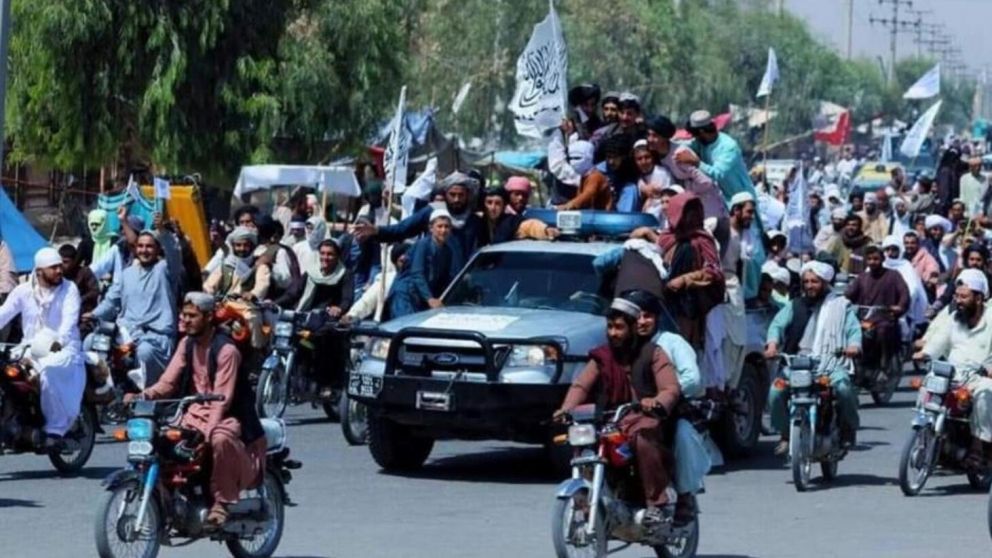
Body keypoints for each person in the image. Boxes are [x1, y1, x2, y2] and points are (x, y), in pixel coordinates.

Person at [126, 292, 266, 528]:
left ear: (209, 317)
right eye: (184, 315)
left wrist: (207, 432)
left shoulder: (227, 351)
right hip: (192, 415)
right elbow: (167, 383)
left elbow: (223, 399)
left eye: (192, 316)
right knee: (157, 439)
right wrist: (142, 395)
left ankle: (222, 502)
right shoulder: (186, 344)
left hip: (230, 418)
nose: (185, 320)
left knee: (219, 439)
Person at [553, 297, 681, 525]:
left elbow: (670, 387)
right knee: (583, 444)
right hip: (611, 420)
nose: (613, 333)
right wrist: (566, 408)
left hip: (646, 419)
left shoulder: (653, 353)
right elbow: (582, 385)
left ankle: (657, 504)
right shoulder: (602, 357)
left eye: (620, 327)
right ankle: (588, 501)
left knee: (642, 439)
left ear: (633, 327)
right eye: (610, 327)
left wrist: (657, 401)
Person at [620, 289, 708, 525]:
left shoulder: (672, 343)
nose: (641, 322)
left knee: (682, 436)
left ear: (657, 317)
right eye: (636, 316)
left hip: (670, 413)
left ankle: (685, 497)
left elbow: (693, 379)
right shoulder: (620, 344)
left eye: (647, 315)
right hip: (628, 413)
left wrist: (664, 396)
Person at [765, 261, 861, 453]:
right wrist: (773, 344)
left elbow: (853, 330)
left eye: (814, 281)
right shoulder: (795, 305)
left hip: (830, 361)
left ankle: (848, 429)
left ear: (825, 282)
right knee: (776, 393)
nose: (809, 285)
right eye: (806, 281)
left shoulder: (841, 306)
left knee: (843, 389)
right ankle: (786, 433)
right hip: (798, 362)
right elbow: (777, 325)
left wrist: (853, 346)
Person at [0, 247, 85, 448]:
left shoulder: (69, 289)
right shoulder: (23, 291)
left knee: (45, 370)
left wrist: (60, 341)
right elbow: (4, 313)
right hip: (30, 347)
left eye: (59, 266)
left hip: (64, 348)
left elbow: (69, 321)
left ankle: (55, 428)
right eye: (53, 267)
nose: (59, 271)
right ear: (39, 271)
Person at [915, 269, 992, 468]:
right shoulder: (955, 317)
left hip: (981, 377)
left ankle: (979, 447)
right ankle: (927, 435)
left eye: (964, 296)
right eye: (957, 296)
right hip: (953, 374)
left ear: (979, 298)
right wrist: (925, 353)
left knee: (985, 393)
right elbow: (940, 340)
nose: (958, 300)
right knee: (927, 385)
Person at [87, 230, 177, 387]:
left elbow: (174, 253)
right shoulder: (126, 274)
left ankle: (148, 397)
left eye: (149, 246)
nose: (144, 250)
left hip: (155, 336)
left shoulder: (164, 270)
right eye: (140, 246)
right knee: (90, 342)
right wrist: (93, 315)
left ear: (157, 249)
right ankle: (103, 393)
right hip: (126, 333)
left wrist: (164, 231)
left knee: (145, 352)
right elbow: (111, 301)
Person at [355, 171, 482, 274]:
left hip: (462, 281)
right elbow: (402, 229)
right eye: (452, 194)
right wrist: (377, 230)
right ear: (445, 194)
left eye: (461, 195)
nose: (456, 199)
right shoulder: (433, 211)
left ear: (468, 195)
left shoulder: (474, 221)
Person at [657, 192, 725, 347]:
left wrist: (685, 280)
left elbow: (713, 271)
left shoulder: (703, 239)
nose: (691, 216)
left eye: (695, 210)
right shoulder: (665, 237)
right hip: (662, 304)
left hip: (689, 307)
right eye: (687, 211)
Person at [645, 116, 724, 220]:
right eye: (648, 135)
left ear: (665, 137)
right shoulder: (656, 155)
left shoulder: (680, 155)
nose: (650, 139)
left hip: (707, 206)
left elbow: (706, 182)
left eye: (655, 136)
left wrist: (685, 188)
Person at [845, 245, 910, 371]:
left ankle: (884, 362)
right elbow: (850, 294)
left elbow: (904, 294)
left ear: (882, 259)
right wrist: (841, 300)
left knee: (882, 331)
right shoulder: (862, 277)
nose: (872, 262)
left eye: (875, 259)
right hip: (865, 318)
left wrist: (899, 307)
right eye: (869, 259)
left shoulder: (893, 275)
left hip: (885, 318)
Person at [388, 209, 456, 317]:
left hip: (422, 299)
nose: (443, 230)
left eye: (446, 227)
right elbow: (417, 274)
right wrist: (430, 299)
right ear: (431, 228)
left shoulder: (447, 251)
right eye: (439, 226)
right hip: (406, 296)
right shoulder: (423, 245)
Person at [203, 226, 272, 301]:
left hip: (249, 307)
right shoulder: (226, 265)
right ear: (233, 247)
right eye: (238, 245)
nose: (242, 249)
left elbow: (262, 285)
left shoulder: (259, 265)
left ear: (251, 246)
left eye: (246, 245)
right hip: (225, 306)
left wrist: (253, 294)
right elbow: (209, 285)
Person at [555, 140, 612, 211]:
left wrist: (569, 205)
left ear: (589, 157)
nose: (573, 162)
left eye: (577, 158)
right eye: (570, 158)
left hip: (602, 218)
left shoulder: (595, 176)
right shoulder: (584, 176)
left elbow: (588, 194)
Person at [59, 244, 100, 315]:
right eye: (60, 261)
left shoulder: (84, 272)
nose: (62, 265)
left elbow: (95, 291)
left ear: (74, 261)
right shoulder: (57, 274)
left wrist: (79, 299)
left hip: (83, 312)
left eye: (66, 262)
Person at [903, 230, 940, 296]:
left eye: (912, 243)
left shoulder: (927, 258)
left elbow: (932, 271)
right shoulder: (902, 258)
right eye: (907, 243)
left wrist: (928, 278)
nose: (909, 245)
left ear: (918, 244)